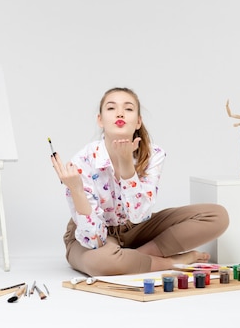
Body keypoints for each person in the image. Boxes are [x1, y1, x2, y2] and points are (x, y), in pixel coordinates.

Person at [50, 87, 229, 276]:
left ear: (138, 122)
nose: (120, 113)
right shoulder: (82, 161)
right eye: (111, 108)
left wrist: (127, 166)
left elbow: (139, 216)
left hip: (136, 228)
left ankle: (131, 259)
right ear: (100, 120)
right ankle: (169, 262)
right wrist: (77, 191)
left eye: (128, 109)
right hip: (93, 234)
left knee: (217, 216)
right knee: (101, 262)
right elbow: (93, 241)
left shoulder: (153, 154)